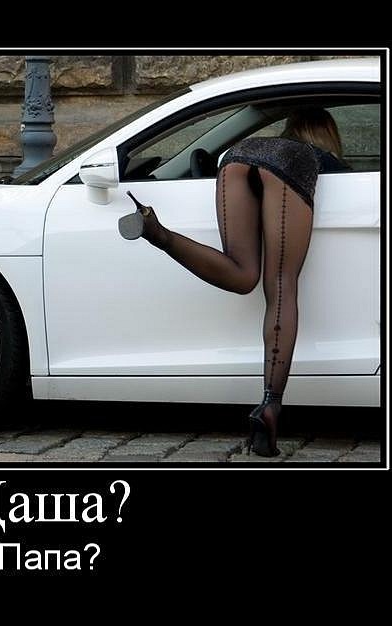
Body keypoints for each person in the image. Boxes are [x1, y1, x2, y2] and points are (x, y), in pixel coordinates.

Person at [119, 106, 348, 457]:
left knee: (242, 274)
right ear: (327, 135)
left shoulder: (269, 144)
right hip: (286, 166)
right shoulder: (320, 157)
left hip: (236, 156)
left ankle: (160, 234)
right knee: (281, 285)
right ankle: (270, 403)